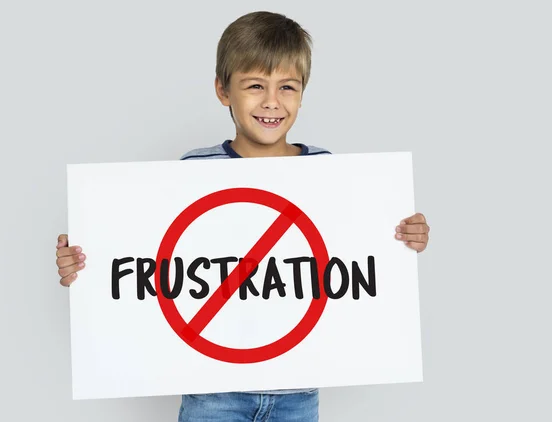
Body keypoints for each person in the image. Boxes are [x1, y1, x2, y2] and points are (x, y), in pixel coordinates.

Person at [55, 10, 430, 422]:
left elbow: (358, 259)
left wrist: (403, 237)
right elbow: (153, 266)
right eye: (255, 86)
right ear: (223, 90)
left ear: (303, 94)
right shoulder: (192, 172)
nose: (272, 101)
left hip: (299, 393)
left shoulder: (328, 173)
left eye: (287, 87)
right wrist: (87, 265)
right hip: (213, 394)